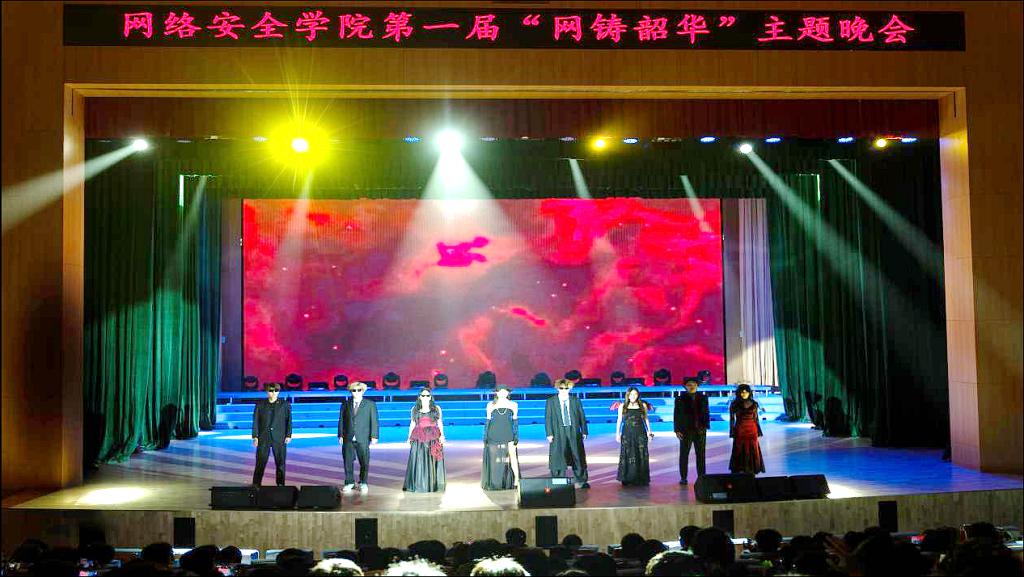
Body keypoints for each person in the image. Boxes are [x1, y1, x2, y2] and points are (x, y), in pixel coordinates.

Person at [545, 378, 589, 488]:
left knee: (577, 454)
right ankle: (558, 480)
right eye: (561, 388)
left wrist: (584, 430)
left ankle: (581, 480)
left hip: (573, 430)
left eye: (566, 388)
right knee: (558, 454)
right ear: (557, 388)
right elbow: (548, 418)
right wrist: (549, 433)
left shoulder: (575, 400)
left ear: (570, 389)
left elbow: (581, 416)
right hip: (557, 431)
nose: (564, 390)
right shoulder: (551, 401)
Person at [338, 381, 379, 492]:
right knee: (348, 461)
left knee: (364, 461)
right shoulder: (345, 404)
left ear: (363, 391)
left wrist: (374, 435)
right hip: (348, 437)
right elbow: (341, 420)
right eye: (354, 390)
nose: (356, 392)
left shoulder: (370, 404)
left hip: (363, 437)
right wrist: (340, 434)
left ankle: (363, 482)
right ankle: (349, 482)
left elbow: (374, 421)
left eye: (358, 390)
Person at [404, 387, 446, 492]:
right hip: (419, 437)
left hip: (433, 437)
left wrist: (442, 436)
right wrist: (409, 437)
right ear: (419, 397)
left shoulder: (436, 409)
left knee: (431, 460)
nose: (425, 397)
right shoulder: (414, 409)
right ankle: (419, 484)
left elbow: (440, 423)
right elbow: (412, 423)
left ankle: (431, 484)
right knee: (419, 460)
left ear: (430, 397)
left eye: (428, 395)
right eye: (423, 395)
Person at [251, 382, 292, 486]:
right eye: (271, 390)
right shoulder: (260, 405)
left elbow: (288, 420)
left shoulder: (284, 405)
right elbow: (255, 421)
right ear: (267, 391)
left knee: (280, 463)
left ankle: (280, 485)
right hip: (264, 437)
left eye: (276, 391)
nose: (273, 393)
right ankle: (256, 485)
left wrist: (288, 435)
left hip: (279, 437)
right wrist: (255, 436)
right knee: (260, 462)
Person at [482, 385, 520, 490]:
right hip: (494, 433)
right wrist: (485, 436)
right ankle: (495, 481)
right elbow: (488, 421)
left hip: (508, 433)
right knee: (494, 457)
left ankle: (517, 479)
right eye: (500, 391)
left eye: (505, 391)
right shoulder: (490, 404)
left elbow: (515, 421)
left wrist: (516, 435)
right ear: (496, 393)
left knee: (512, 455)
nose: (502, 393)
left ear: (508, 393)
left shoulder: (514, 404)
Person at [674, 377, 710, 484]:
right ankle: (683, 477)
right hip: (685, 430)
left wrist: (705, 426)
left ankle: (702, 476)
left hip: (700, 430)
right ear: (685, 386)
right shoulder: (680, 399)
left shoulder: (703, 398)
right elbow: (676, 415)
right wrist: (677, 430)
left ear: (697, 386)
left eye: (694, 384)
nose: (692, 386)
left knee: (701, 454)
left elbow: (706, 413)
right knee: (684, 454)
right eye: (689, 384)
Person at [616, 387, 653, 486]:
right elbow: (619, 420)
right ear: (628, 395)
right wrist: (617, 433)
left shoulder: (643, 405)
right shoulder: (622, 406)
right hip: (627, 433)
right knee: (628, 454)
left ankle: (641, 478)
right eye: (631, 394)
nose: (633, 396)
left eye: (635, 394)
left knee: (640, 453)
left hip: (640, 433)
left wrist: (649, 432)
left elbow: (646, 419)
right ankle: (627, 478)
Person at [729, 384, 765, 475]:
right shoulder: (734, 404)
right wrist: (732, 431)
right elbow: (732, 419)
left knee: (753, 448)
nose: (744, 394)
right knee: (739, 448)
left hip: (752, 430)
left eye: (746, 392)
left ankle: (752, 468)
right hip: (740, 429)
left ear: (749, 393)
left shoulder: (754, 404)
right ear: (739, 393)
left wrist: (759, 431)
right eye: (742, 392)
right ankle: (740, 468)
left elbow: (756, 419)